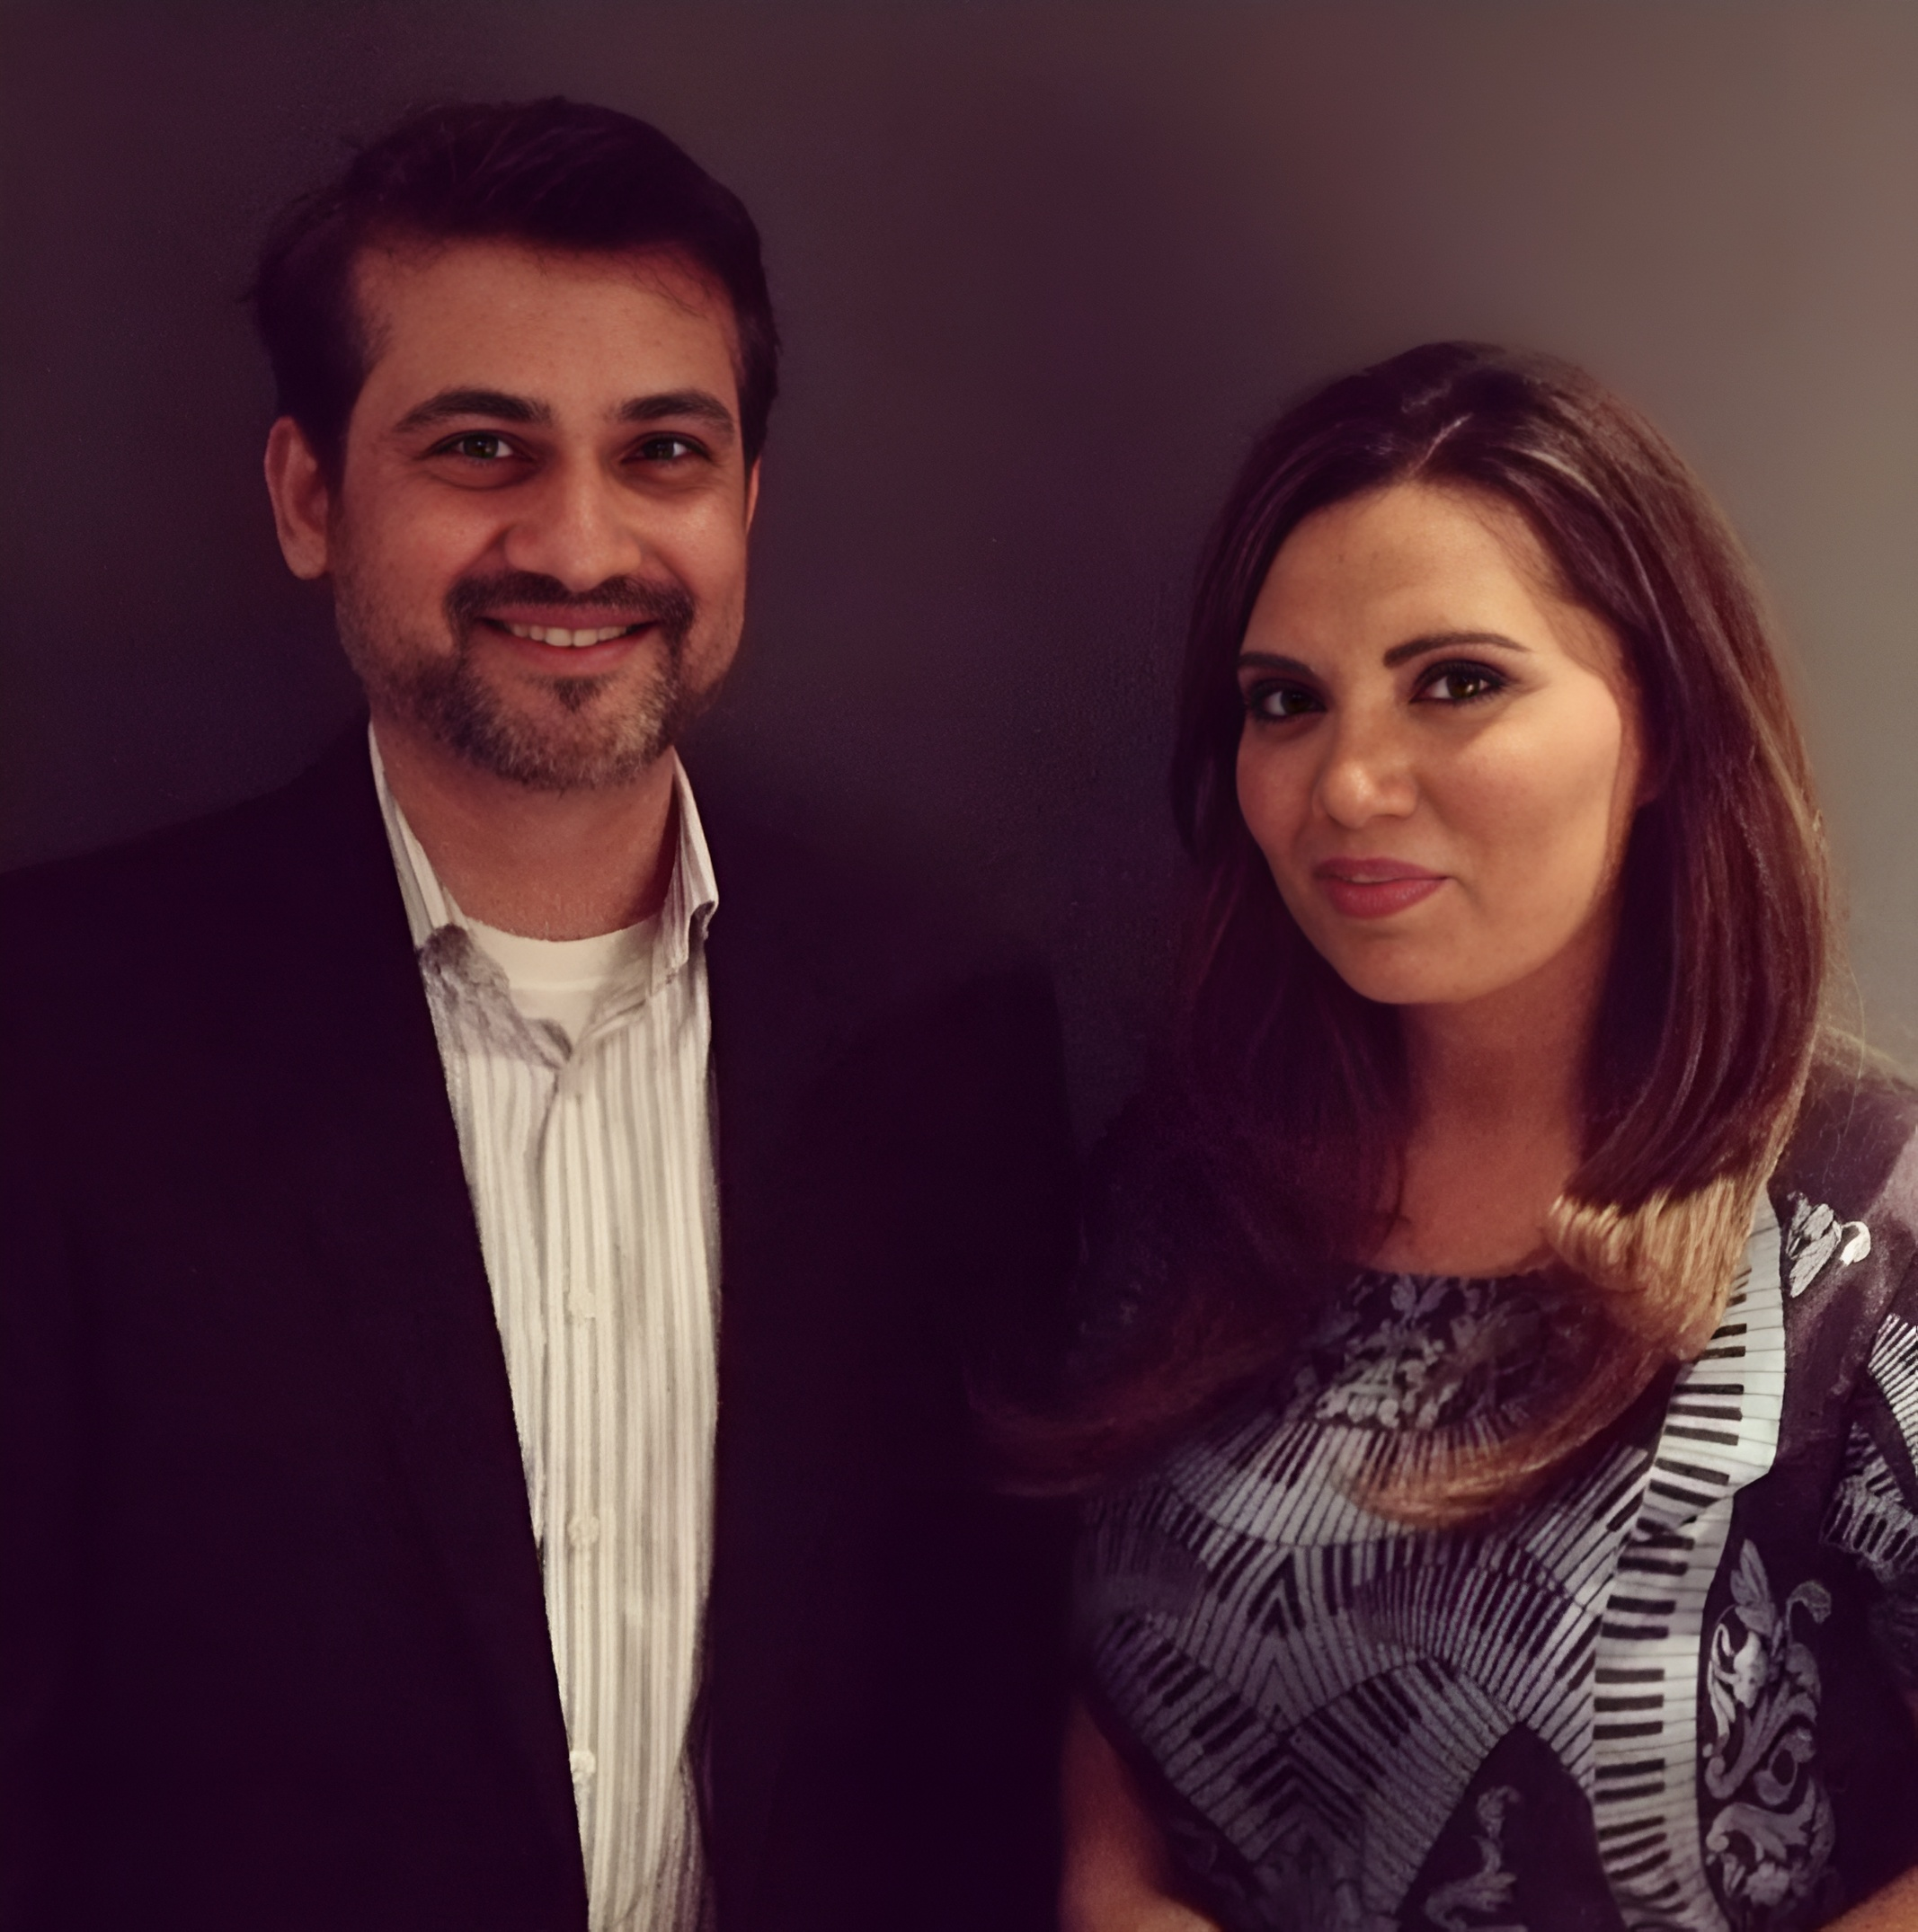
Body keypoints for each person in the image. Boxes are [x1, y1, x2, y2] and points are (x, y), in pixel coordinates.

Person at [0, 98, 1076, 1932]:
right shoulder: (54, 1034)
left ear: (744, 505)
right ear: (309, 497)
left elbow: (979, 1706)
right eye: (481, 446)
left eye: (661, 452)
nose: (578, 544)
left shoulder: (946, 1030)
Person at [1052, 342, 1918, 1931]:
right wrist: (1106, 1888)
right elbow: (1109, 1678)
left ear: (1659, 723)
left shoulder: (1865, 1241)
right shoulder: (1185, 1184)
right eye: (1284, 701)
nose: (1346, 781)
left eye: (1455, 680)